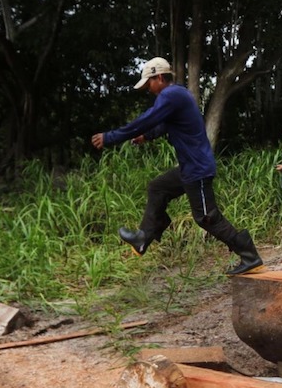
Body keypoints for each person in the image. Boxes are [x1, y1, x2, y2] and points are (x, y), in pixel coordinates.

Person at [91, 57, 264, 276]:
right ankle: (146, 235)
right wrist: (146, 136)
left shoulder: (171, 95)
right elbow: (163, 124)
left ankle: (249, 255)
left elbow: (148, 119)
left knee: (206, 218)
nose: (148, 89)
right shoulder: (177, 95)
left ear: (159, 78)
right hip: (189, 168)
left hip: (197, 169)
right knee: (158, 187)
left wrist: (110, 137)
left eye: (149, 84)